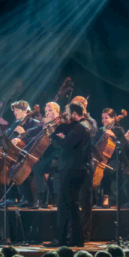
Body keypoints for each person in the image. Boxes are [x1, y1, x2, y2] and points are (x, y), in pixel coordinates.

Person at [51, 103, 93, 247]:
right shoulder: (77, 127)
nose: (65, 115)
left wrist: (57, 135)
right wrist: (59, 134)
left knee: (64, 204)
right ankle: (77, 239)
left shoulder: (79, 128)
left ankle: (61, 240)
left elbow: (65, 145)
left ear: (75, 113)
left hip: (73, 170)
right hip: (75, 169)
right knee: (72, 205)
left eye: (68, 112)